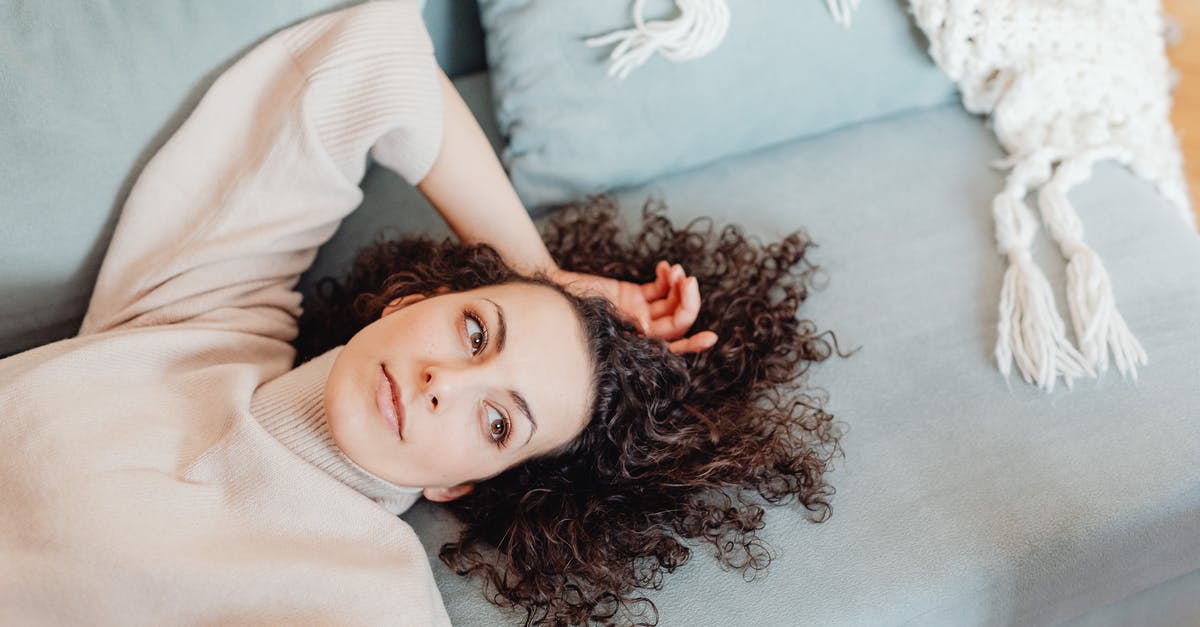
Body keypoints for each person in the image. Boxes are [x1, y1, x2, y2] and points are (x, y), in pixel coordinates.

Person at [0, 2, 841, 626]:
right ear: (413, 300)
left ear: (458, 483)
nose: (445, 382)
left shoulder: (365, 592)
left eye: (499, 419)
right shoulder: (201, 315)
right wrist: (540, 270)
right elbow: (376, 60)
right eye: (476, 332)